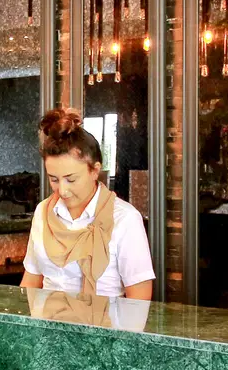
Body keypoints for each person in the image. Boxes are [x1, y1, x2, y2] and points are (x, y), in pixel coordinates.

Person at [20, 108, 155, 300]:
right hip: (45, 318)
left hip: (104, 320)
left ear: (95, 171)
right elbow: (31, 282)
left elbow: (139, 301)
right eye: (54, 179)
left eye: (71, 179)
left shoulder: (125, 219)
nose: (63, 190)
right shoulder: (43, 211)